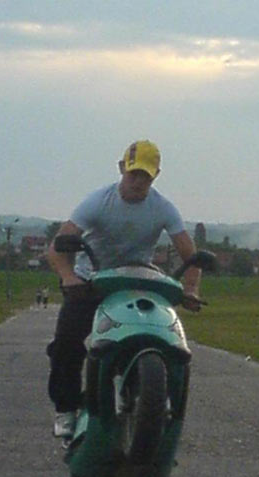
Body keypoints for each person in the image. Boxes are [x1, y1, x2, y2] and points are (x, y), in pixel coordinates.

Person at [46, 139, 202, 438]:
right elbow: (57, 246)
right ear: (121, 168)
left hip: (136, 279)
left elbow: (190, 255)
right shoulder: (97, 202)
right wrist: (68, 276)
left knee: (166, 337)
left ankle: (160, 398)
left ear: (156, 176)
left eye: (146, 176)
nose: (138, 182)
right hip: (91, 281)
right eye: (134, 174)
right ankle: (66, 409)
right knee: (67, 342)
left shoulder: (163, 208)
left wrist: (191, 289)